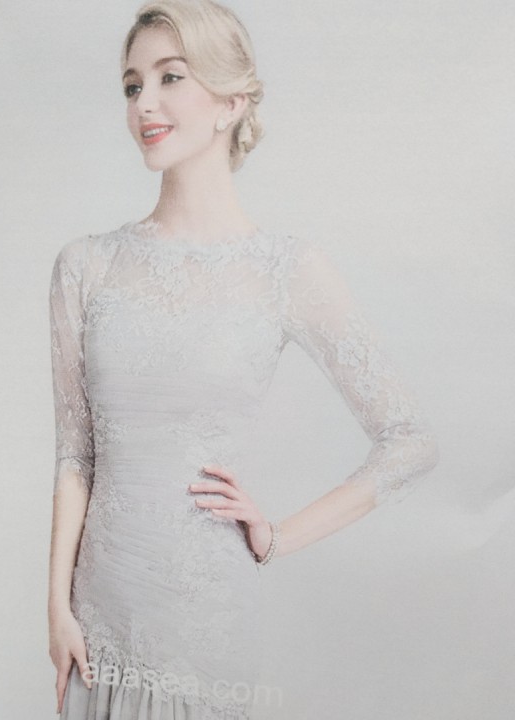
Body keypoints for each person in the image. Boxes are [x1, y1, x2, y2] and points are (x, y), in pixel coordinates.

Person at [47, 1, 439, 717]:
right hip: (98, 620)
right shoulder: (86, 266)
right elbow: (76, 455)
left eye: (170, 77)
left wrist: (278, 536)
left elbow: (410, 441)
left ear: (231, 102)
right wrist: (56, 609)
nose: (145, 103)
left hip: (206, 625)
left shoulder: (285, 269)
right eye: (133, 85)